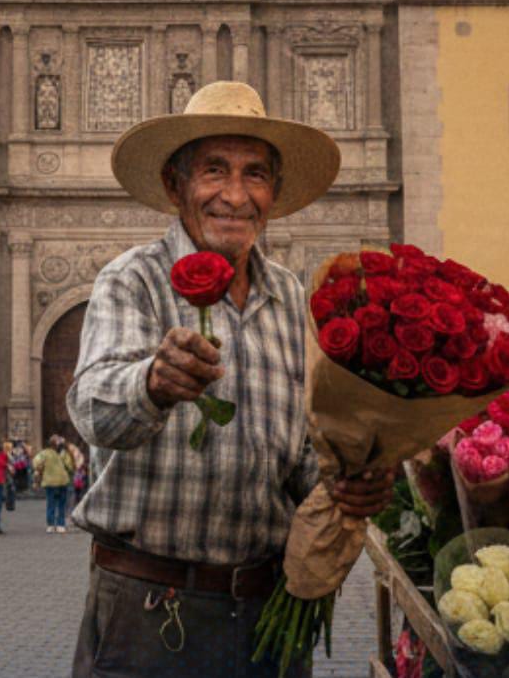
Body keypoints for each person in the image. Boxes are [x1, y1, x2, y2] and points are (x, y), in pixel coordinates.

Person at [68, 82, 395, 676]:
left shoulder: (296, 299)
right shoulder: (132, 280)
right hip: (148, 612)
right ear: (176, 185)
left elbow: (299, 458)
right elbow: (92, 409)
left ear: (274, 193)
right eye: (214, 171)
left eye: (255, 175)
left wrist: (348, 479)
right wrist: (152, 383)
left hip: (268, 612)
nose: (236, 196)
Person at [33, 434, 75, 533]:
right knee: (61, 504)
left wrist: (41, 469)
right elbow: (70, 466)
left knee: (51, 504)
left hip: (49, 482)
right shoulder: (64, 453)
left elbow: (36, 462)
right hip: (62, 481)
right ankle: (61, 525)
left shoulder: (44, 453)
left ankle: (50, 525)